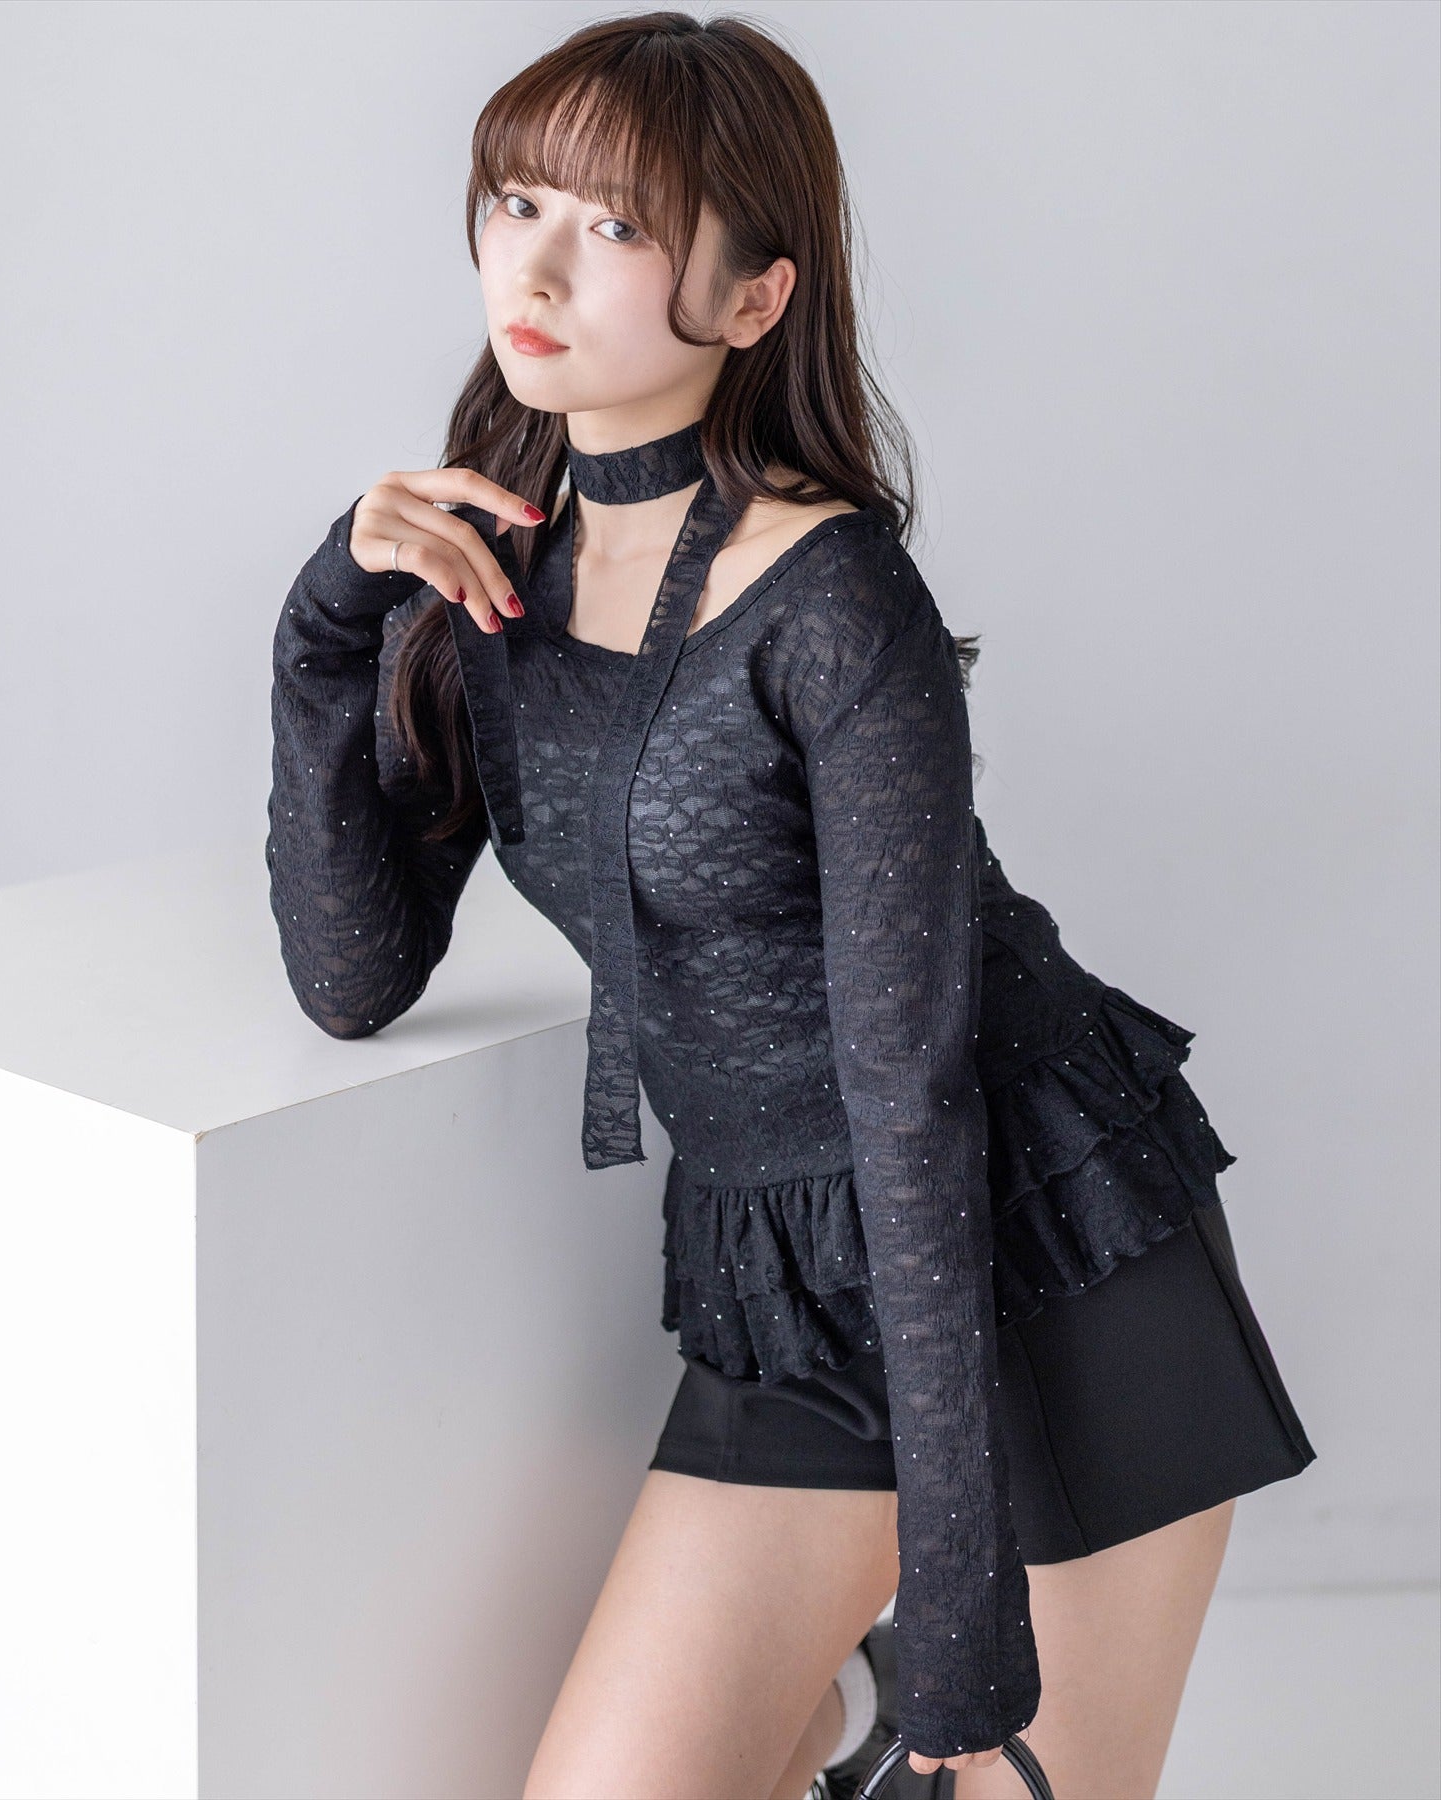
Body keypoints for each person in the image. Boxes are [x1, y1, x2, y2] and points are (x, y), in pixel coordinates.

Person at [263, 12, 1317, 1797]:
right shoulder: (484, 580)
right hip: (789, 1287)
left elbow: (911, 1092)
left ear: (755, 299)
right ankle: (832, 1704)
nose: (536, 267)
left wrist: (964, 1592)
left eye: (615, 225)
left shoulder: (832, 601)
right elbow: (353, 978)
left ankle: (903, 1668)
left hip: (1039, 1246)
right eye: (516, 201)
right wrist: (322, 637)